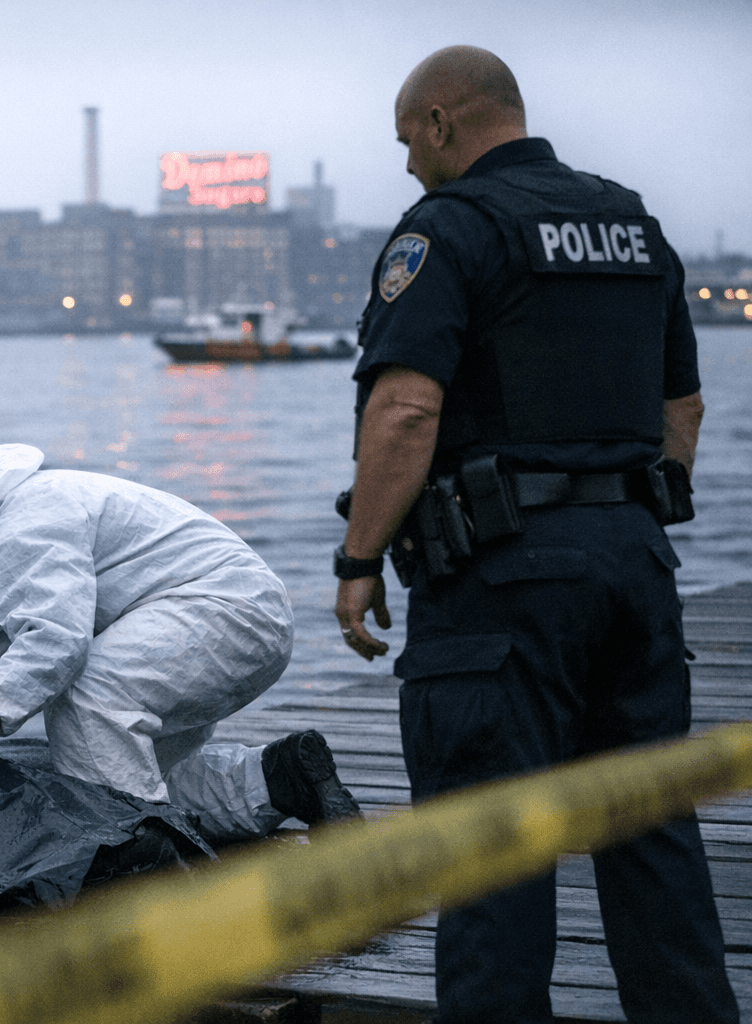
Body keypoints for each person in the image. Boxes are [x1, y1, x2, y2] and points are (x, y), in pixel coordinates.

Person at [333, 46, 736, 1023]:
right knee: (651, 832)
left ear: (440, 122)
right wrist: (629, 509)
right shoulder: (632, 223)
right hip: (634, 570)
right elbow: (681, 405)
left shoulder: (449, 228)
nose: (406, 165)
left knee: (487, 854)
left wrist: (359, 558)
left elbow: (404, 414)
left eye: (406, 141)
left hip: (499, 585)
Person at [0, 441, 362, 849]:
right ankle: (281, 777)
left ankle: (145, 859)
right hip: (206, 623)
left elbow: (56, 642)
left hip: (229, 613)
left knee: (85, 699)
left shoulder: (25, 520)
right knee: (121, 770)